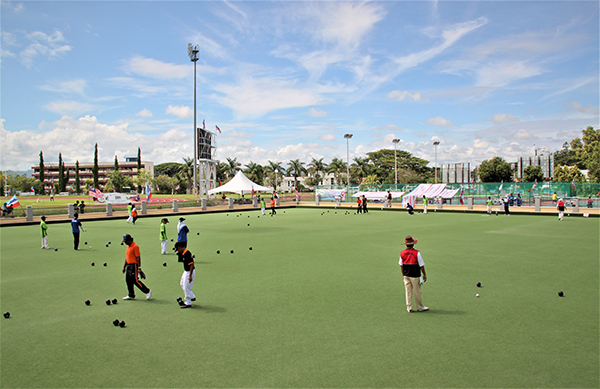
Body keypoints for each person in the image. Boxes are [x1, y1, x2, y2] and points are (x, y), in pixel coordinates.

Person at [399, 235, 428, 313]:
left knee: (408, 291)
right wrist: (424, 274)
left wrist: (403, 275)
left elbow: (401, 265)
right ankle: (420, 307)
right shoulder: (417, 253)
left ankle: (409, 307)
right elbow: (421, 265)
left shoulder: (402, 253)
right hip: (415, 275)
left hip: (406, 275)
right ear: (413, 244)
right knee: (417, 291)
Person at [121, 234, 151, 300]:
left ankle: (147, 291)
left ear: (129, 240)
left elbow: (138, 257)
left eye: (125, 241)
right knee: (128, 280)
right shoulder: (128, 247)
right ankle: (131, 295)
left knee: (135, 281)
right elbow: (127, 257)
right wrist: (124, 266)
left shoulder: (135, 247)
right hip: (128, 265)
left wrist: (139, 268)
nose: (125, 243)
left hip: (134, 265)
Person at [175, 242, 196, 308]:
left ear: (179, 247)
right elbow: (180, 260)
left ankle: (188, 302)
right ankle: (192, 296)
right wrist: (178, 254)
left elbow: (192, 265)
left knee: (186, 287)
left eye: (177, 249)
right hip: (186, 271)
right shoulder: (183, 253)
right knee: (182, 284)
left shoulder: (187, 253)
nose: (177, 250)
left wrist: (190, 276)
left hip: (189, 271)